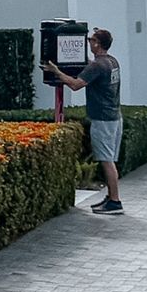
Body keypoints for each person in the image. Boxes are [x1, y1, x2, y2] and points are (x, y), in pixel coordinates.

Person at [49, 28, 125, 214]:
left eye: (91, 39)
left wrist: (57, 72)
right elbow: (93, 69)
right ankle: (111, 197)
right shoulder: (111, 61)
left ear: (97, 44)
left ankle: (115, 202)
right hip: (115, 117)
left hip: (103, 119)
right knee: (110, 159)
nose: (89, 42)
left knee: (106, 161)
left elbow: (75, 85)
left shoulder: (97, 66)